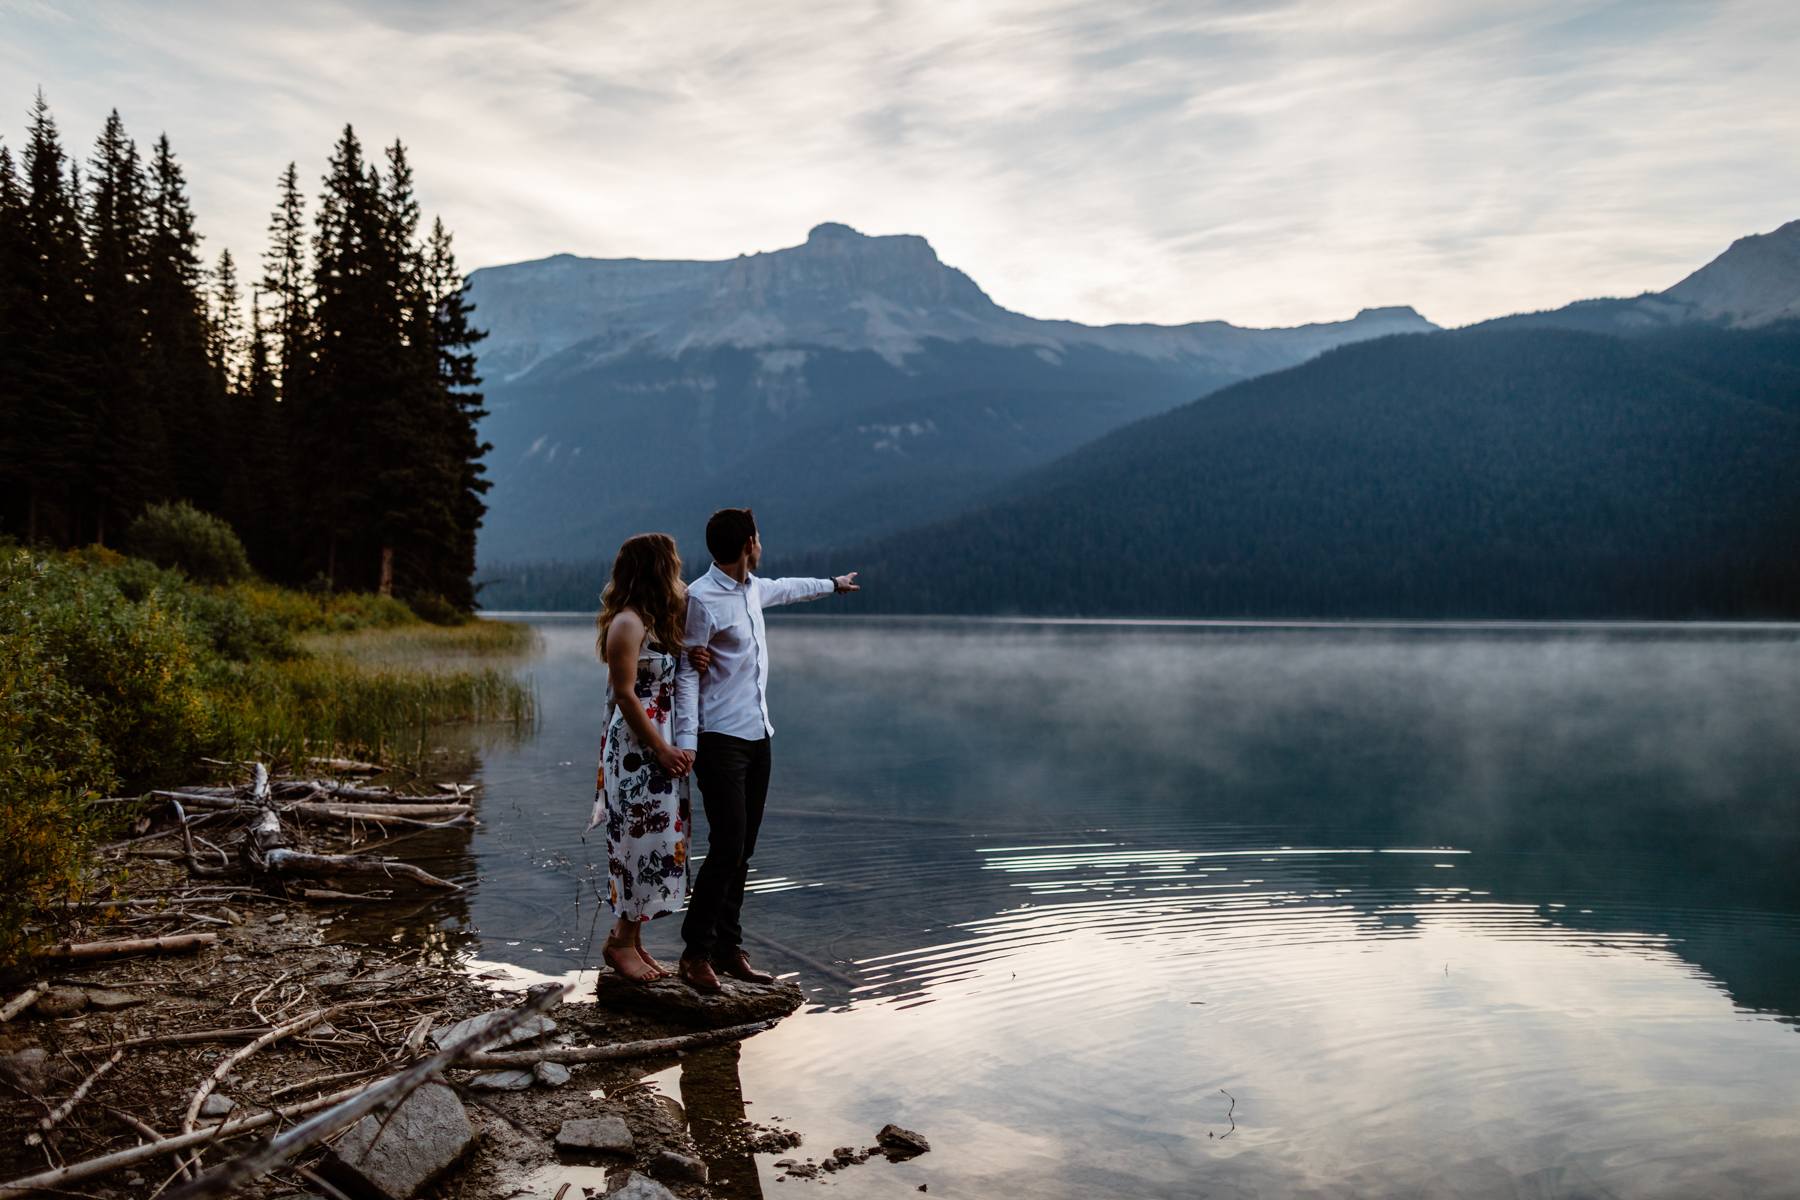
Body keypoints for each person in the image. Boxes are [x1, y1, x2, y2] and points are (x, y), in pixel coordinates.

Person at [672, 507, 859, 993]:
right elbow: (687, 672)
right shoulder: (701, 598)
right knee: (727, 844)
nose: (762, 543)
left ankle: (728, 948)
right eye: (759, 537)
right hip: (718, 741)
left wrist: (833, 584)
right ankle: (695, 953)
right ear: (747, 544)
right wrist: (688, 742)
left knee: (744, 848)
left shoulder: (754, 588)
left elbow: (789, 587)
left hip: (758, 737)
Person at [589, 532, 713, 983]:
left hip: (657, 746)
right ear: (658, 569)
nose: (679, 572)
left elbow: (665, 674)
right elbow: (624, 693)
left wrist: (692, 657)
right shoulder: (627, 622)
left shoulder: (652, 621)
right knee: (638, 844)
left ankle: (632, 941)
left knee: (659, 841)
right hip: (637, 754)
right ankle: (620, 943)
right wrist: (661, 748)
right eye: (673, 565)